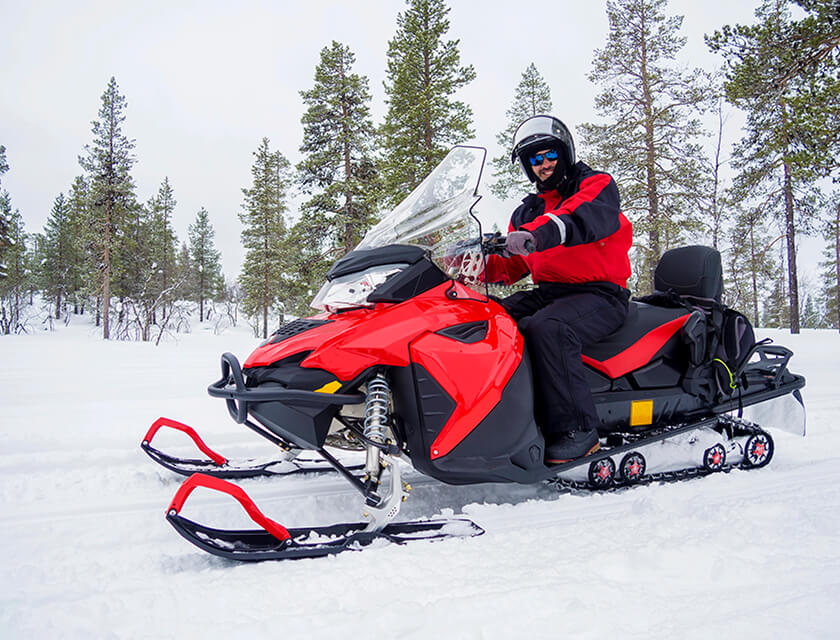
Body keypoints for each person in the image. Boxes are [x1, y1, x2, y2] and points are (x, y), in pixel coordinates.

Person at [485, 115, 633, 463]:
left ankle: (578, 430)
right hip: (551, 291)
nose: (544, 165)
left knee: (549, 327)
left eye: (549, 155)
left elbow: (575, 219)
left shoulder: (595, 187)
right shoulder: (528, 211)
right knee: (491, 317)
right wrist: (470, 263)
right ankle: (502, 418)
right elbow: (511, 265)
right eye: (534, 160)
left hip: (600, 294)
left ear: (564, 153)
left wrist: (537, 235)